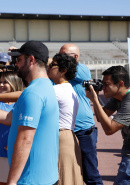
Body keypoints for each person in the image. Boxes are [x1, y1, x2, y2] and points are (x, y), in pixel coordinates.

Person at [0, 40, 59, 185]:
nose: (16, 64)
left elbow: (25, 140)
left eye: (19, 60)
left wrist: (12, 181)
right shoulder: (47, 86)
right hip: (45, 176)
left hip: (30, 179)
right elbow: (10, 117)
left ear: (31, 60)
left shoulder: (32, 93)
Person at [59, 43, 103, 185]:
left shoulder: (82, 70)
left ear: (75, 57)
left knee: (90, 174)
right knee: (66, 172)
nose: (59, 58)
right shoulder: (57, 71)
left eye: (63, 55)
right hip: (64, 129)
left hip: (83, 130)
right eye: (59, 54)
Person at [85, 66, 130, 185]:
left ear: (120, 83)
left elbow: (109, 130)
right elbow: (101, 117)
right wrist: (95, 96)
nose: (103, 87)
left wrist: (95, 100)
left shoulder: (129, 101)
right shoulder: (118, 97)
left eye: (106, 84)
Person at [47, 53, 83, 185]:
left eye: (53, 65)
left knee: (63, 178)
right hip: (67, 136)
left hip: (61, 137)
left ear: (63, 70)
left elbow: (28, 94)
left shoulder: (57, 89)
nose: (49, 67)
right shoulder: (68, 88)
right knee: (67, 177)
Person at [0, 71, 24, 185]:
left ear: (14, 83)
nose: (1, 85)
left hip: (16, 153)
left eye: (5, 82)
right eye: (0, 82)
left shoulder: (22, 103)